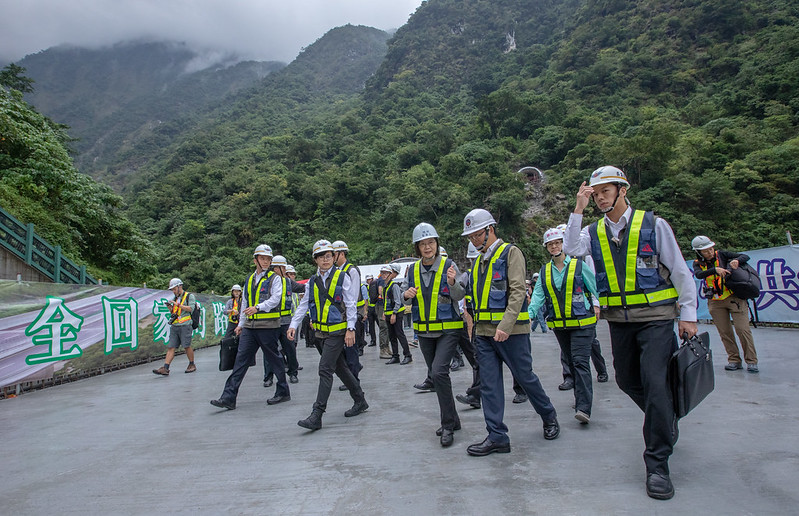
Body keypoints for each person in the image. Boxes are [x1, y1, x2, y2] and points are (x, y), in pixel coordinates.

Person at [564, 165, 698, 500]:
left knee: (655, 382)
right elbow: (569, 248)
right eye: (595, 194)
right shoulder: (592, 233)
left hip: (655, 318)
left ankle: (657, 464)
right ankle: (665, 418)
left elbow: (680, 270)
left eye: (604, 192)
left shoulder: (654, 225)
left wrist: (690, 314)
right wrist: (578, 209)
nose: (599, 198)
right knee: (627, 381)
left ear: (623, 190)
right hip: (619, 322)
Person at [461, 208, 559, 457]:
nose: (473, 240)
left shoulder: (510, 253)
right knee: (490, 386)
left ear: (489, 229)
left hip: (511, 332)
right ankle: (497, 437)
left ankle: (549, 416)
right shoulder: (477, 263)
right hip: (484, 334)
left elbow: (517, 292)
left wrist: (505, 326)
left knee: (525, 377)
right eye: (470, 236)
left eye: (476, 234)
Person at [288, 240, 368, 431]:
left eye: (329, 255)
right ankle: (360, 400)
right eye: (322, 256)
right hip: (321, 333)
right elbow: (304, 305)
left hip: (338, 332)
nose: (326, 259)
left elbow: (350, 304)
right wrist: (293, 325)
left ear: (334, 257)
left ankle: (317, 414)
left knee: (325, 368)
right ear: (315, 259)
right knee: (340, 368)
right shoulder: (312, 281)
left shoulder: (343, 277)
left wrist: (350, 329)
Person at [402, 223, 466, 447]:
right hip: (424, 331)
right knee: (438, 375)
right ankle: (454, 419)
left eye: (430, 242)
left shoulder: (449, 265)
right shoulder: (411, 270)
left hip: (448, 329)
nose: (427, 247)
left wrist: (452, 282)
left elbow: (459, 295)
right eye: (422, 244)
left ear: (437, 244)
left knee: (439, 373)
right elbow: (404, 297)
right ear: (417, 247)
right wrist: (406, 295)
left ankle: (447, 425)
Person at [528, 227, 599, 424]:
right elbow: (537, 298)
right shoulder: (545, 271)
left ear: (564, 244)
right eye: (550, 244)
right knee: (571, 361)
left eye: (557, 242)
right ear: (547, 248)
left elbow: (595, 287)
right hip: (560, 326)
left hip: (583, 323)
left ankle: (584, 407)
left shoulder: (578, 266)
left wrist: (604, 305)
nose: (554, 246)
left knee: (580, 362)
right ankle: (580, 397)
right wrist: (528, 316)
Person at [210, 244, 291, 410]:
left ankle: (283, 391)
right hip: (249, 327)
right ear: (255, 260)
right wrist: (240, 324)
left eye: (268, 259)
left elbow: (276, 299)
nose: (266, 261)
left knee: (274, 359)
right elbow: (245, 302)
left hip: (268, 326)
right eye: (263, 258)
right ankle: (228, 397)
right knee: (240, 361)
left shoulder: (275, 279)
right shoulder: (249, 279)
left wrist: (258, 307)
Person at [692, 235, 758, 372]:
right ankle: (734, 360)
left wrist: (736, 260)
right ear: (699, 252)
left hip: (734, 298)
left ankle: (751, 361)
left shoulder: (722, 255)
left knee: (742, 330)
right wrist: (714, 270)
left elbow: (744, 256)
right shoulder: (697, 263)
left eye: (710, 249)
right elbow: (698, 275)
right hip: (715, 302)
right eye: (705, 251)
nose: (709, 252)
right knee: (725, 332)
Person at [262, 255, 304, 385]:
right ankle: (268, 377)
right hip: (270, 321)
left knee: (290, 348)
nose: (284, 270)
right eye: (282, 267)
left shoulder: (288, 282)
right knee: (269, 350)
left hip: (285, 322)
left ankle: (293, 373)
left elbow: (302, 288)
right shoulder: (266, 282)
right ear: (276, 268)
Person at [332, 240, 365, 389]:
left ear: (342, 253)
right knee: (346, 348)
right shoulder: (338, 271)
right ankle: (354, 369)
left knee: (351, 348)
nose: (332, 257)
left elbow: (352, 295)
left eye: (334, 254)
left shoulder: (351, 270)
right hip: (343, 314)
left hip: (353, 315)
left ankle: (354, 379)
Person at [153, 278, 198, 375]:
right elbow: (174, 312)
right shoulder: (175, 298)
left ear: (179, 286)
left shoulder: (189, 296)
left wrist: (177, 305)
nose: (173, 291)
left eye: (174, 289)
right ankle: (166, 368)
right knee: (171, 347)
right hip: (175, 325)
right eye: (172, 289)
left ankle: (192, 364)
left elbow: (190, 308)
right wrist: (170, 307)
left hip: (185, 325)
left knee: (186, 346)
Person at [383, 263, 412, 365]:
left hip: (396, 314)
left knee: (400, 334)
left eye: (386, 273)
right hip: (389, 314)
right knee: (392, 336)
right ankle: (395, 356)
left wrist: (394, 313)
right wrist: (384, 312)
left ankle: (408, 355)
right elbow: (386, 301)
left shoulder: (393, 285)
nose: (383, 275)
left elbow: (398, 301)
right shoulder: (386, 286)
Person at [365, 275, 378, 347]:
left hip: (375, 308)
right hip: (370, 309)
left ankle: (387, 339)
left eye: (370, 279)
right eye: (368, 280)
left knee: (380, 325)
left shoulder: (375, 286)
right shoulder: (366, 287)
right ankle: (373, 340)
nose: (369, 281)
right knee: (371, 326)